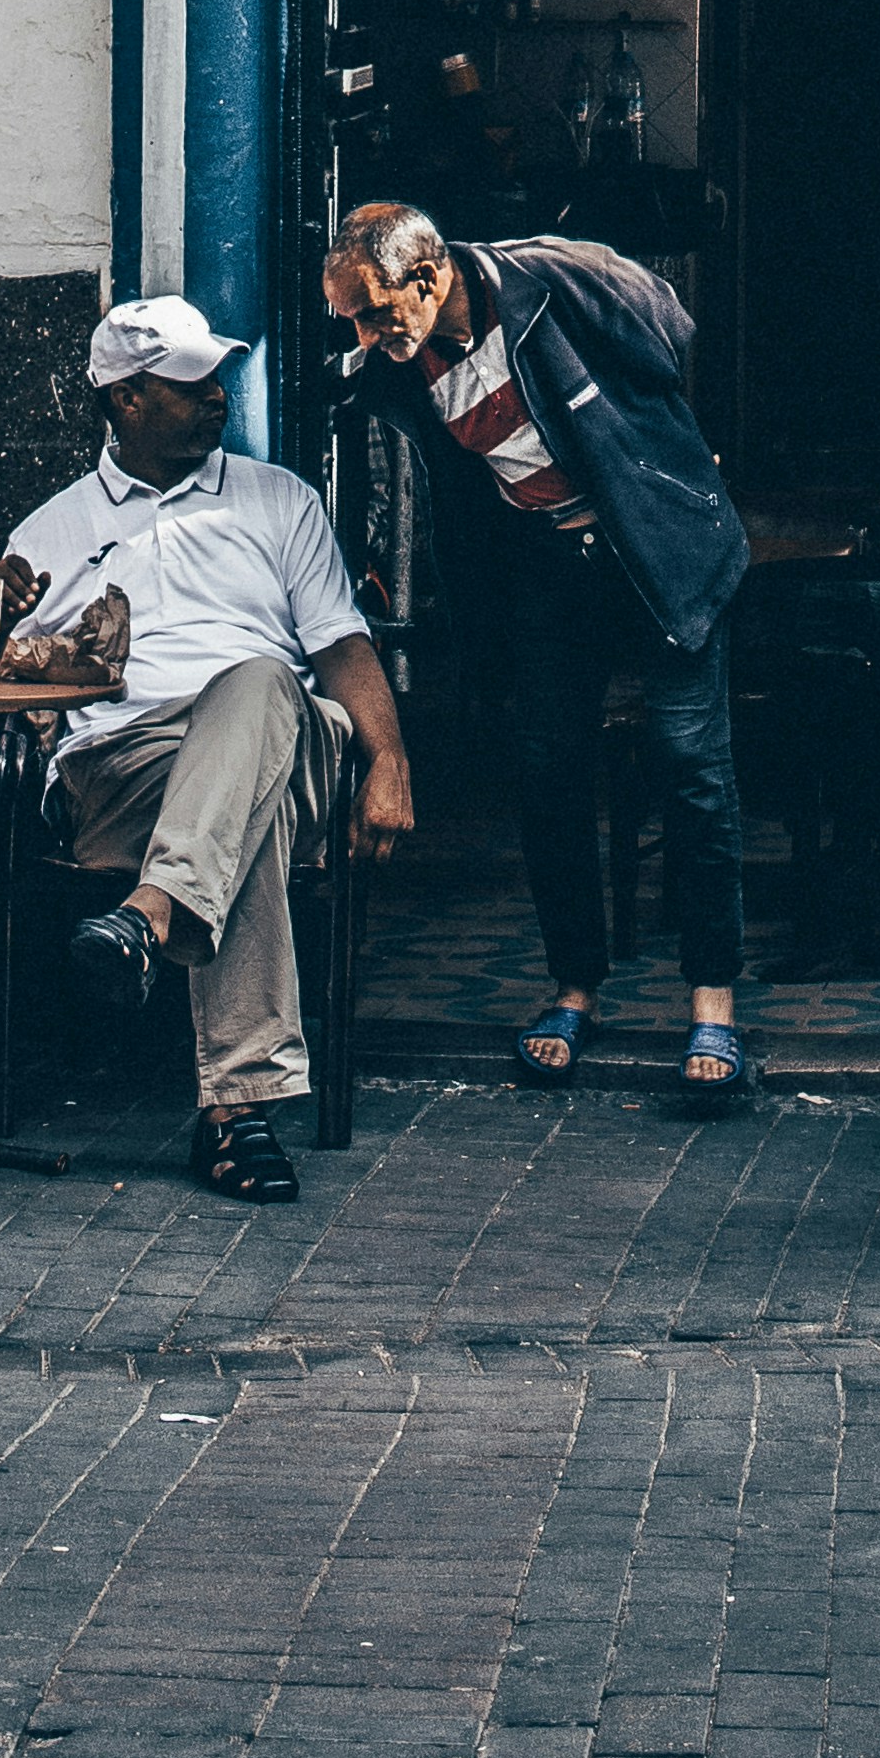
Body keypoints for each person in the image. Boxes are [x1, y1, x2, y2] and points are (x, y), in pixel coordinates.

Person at [325, 193, 756, 1105]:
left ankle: (712, 1001)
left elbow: (674, 331)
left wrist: (664, 465)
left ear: (431, 276)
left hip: (658, 552)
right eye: (349, 319)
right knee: (548, 767)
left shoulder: (558, 278)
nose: (363, 334)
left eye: (372, 310)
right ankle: (575, 989)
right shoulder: (397, 364)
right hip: (554, 571)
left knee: (691, 768)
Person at [0, 295, 411, 1200]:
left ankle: (147, 918)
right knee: (236, 818)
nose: (216, 397)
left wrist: (389, 759)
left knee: (258, 683)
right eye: (188, 385)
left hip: (286, 743)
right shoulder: (49, 530)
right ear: (124, 400)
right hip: (125, 769)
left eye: (216, 378)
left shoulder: (279, 500)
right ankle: (236, 1116)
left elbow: (341, 643)